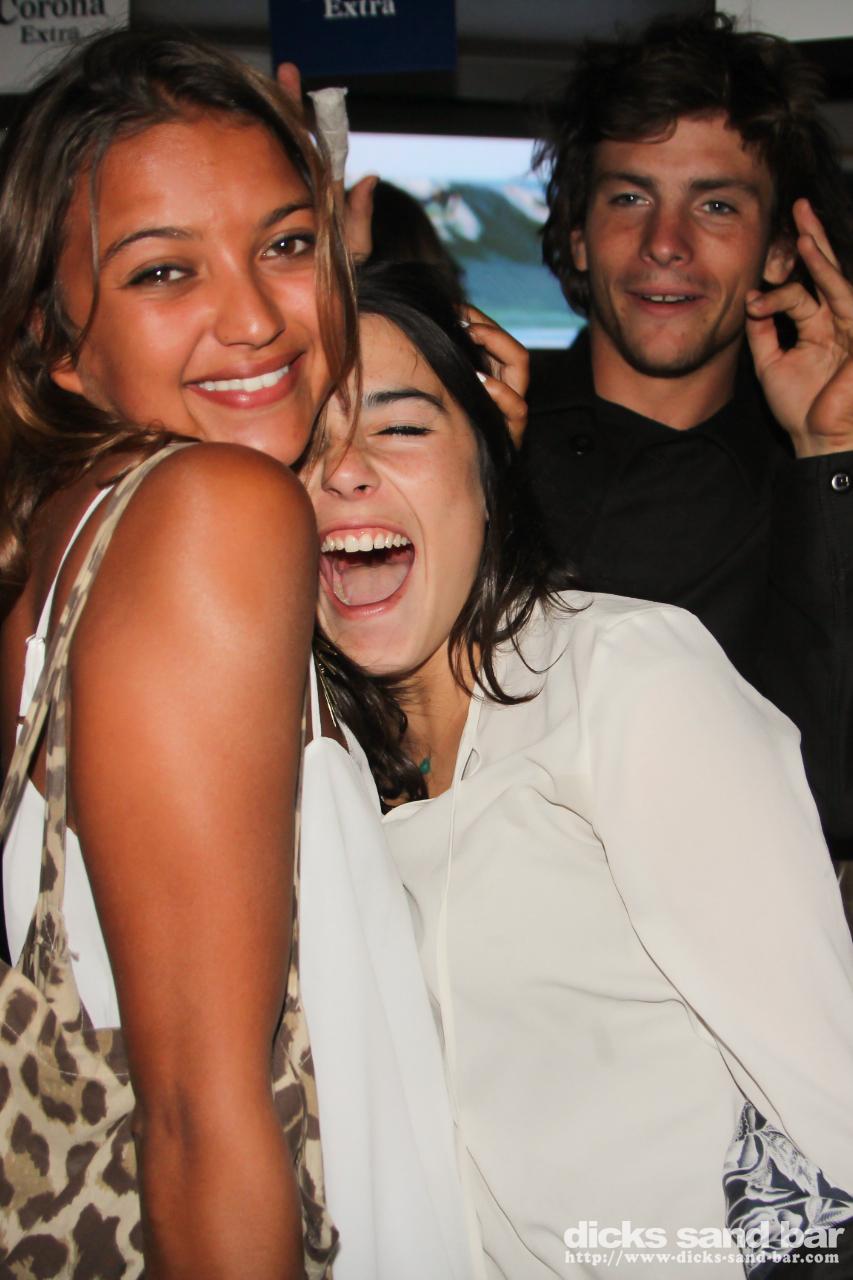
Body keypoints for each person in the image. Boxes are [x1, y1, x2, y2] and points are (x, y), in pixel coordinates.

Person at [0, 31, 471, 1280]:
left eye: (288, 244)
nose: (258, 316)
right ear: (55, 340)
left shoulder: (67, 533)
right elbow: (200, 1116)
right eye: (165, 271)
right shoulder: (214, 513)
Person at [306, 261, 853, 1280]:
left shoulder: (623, 677)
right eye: (302, 443)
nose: (343, 470)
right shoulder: (310, 777)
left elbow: (831, 1096)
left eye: (401, 426)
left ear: (489, 464)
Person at [521, 12, 853, 879]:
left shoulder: (815, 478)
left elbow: (836, 798)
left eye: (714, 205)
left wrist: (829, 453)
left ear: (777, 250)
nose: (664, 244)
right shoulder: (478, 436)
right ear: (578, 233)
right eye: (629, 197)